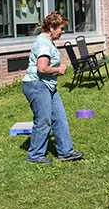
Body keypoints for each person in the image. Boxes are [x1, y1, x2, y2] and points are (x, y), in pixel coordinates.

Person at [22, 11, 83, 164]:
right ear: (51, 26)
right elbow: (42, 68)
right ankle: (35, 156)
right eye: (61, 28)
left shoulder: (48, 41)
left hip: (48, 85)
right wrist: (58, 69)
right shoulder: (43, 42)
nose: (63, 32)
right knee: (43, 120)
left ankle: (66, 152)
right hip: (37, 84)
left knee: (60, 117)